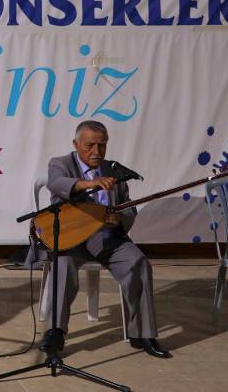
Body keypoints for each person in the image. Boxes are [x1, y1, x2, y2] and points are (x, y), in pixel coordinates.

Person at [41, 120, 171, 358]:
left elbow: (128, 208)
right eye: (90, 145)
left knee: (138, 263)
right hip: (72, 241)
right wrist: (88, 184)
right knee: (62, 265)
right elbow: (56, 183)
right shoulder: (60, 163)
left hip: (109, 239)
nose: (96, 151)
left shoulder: (112, 169)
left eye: (102, 145)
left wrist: (119, 218)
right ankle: (55, 333)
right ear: (76, 144)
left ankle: (143, 334)